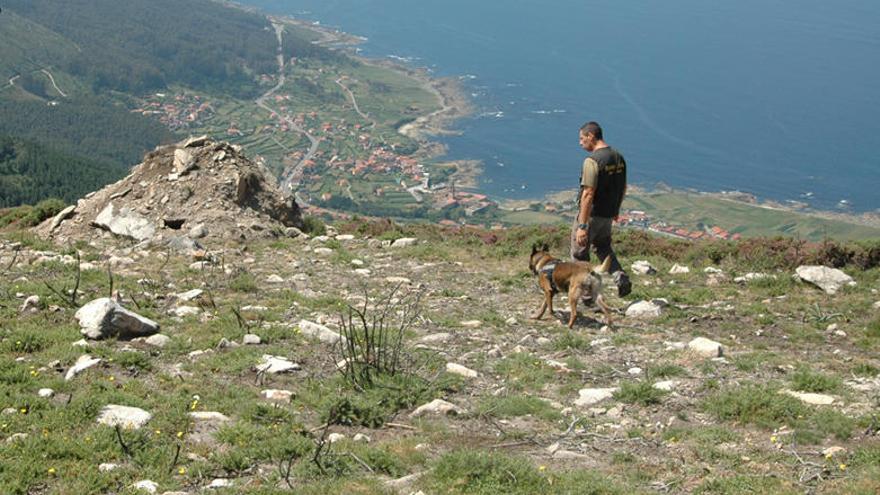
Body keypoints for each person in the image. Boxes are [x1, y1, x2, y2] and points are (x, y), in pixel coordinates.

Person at [571, 121, 632, 297]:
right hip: (608, 214)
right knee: (603, 247)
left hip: (592, 215)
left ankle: (588, 296)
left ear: (591, 136)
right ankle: (619, 275)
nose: (580, 143)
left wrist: (582, 226)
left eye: (582, 139)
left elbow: (588, 193)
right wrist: (616, 210)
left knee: (579, 254)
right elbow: (623, 186)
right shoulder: (618, 157)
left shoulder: (592, 161)